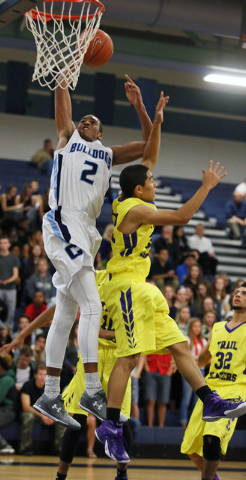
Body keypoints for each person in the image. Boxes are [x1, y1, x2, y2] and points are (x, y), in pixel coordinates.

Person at [95, 154, 246, 463]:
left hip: (143, 287)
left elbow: (147, 158)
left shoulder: (129, 197)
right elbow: (181, 218)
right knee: (129, 356)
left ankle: (210, 401)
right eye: (151, 182)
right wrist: (206, 187)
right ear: (138, 189)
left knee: (180, 345)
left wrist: (152, 118)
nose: (155, 184)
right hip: (125, 286)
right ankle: (110, 425)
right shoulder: (136, 209)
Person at [34, 73, 157, 429]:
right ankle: (91, 389)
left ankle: (50, 394)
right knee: (93, 305)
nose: (86, 122)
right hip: (65, 220)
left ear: (101, 133)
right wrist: (62, 75)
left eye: (94, 122)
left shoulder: (109, 154)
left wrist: (139, 106)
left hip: (86, 230)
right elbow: (63, 103)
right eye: (83, 119)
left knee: (65, 314)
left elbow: (150, 143)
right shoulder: (66, 138)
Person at [0, 270, 132, 480]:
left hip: (119, 361)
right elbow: (59, 310)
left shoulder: (139, 286)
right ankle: (60, 477)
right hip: (91, 360)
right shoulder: (95, 277)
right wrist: (22, 334)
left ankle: (121, 474)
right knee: (75, 423)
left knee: (121, 424)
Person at [181, 283, 246, 480]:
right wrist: (183, 362)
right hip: (210, 391)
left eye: (244, 293)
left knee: (212, 439)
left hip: (235, 391)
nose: (238, 295)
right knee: (190, 448)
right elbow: (201, 360)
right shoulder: (217, 328)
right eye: (236, 292)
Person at [19, 364, 54, 455]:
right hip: (29, 413)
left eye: (45, 375)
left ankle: (59, 448)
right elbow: (26, 407)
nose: (43, 377)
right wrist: (42, 415)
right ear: (35, 375)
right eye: (40, 374)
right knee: (28, 416)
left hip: (43, 414)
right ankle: (25, 447)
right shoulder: (27, 386)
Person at [180, 318, 207, 429]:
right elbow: (185, 357)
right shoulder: (186, 339)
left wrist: (200, 360)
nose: (197, 329)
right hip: (189, 369)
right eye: (195, 326)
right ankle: (183, 422)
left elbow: (206, 358)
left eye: (199, 326)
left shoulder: (204, 341)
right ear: (190, 328)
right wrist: (199, 360)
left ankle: (194, 424)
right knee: (186, 397)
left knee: (198, 399)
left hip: (201, 370)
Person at [0, 235, 20, 329]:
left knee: (11, 311)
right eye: (1, 243)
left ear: (9, 244)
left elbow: (16, 275)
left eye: (5, 243)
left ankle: (8, 330)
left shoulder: (14, 258)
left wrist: (8, 281)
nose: (3, 245)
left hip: (10, 288)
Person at [143, 353, 175, 427]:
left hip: (165, 370)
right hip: (151, 369)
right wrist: (146, 367)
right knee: (151, 400)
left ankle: (161, 427)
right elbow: (144, 352)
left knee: (163, 402)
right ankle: (150, 426)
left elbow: (174, 351)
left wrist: (170, 370)